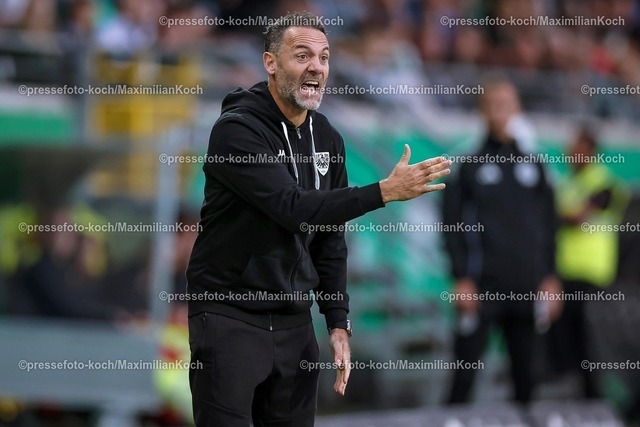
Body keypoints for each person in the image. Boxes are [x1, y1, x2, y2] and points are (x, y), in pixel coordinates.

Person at [186, 11, 451, 427]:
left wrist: (337, 321)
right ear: (271, 63)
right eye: (302, 55)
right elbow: (293, 208)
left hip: (294, 324)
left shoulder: (328, 137)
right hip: (230, 318)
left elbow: (329, 238)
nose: (316, 67)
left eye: (324, 57)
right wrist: (383, 192)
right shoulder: (236, 131)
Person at [442, 78, 562, 404]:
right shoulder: (468, 165)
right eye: (492, 105)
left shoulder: (535, 165)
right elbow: (452, 225)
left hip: (527, 287)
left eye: (505, 104)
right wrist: (461, 277)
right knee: (463, 377)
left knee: (527, 379)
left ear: (517, 109)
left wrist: (551, 277)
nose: (499, 111)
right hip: (481, 288)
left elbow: (549, 226)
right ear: (481, 111)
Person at [549, 126, 628, 398]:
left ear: (590, 150)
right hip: (565, 273)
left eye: (577, 146)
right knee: (565, 341)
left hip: (593, 275)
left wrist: (555, 215)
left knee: (590, 343)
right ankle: (574, 399)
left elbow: (577, 217)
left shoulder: (604, 183)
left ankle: (593, 400)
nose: (570, 151)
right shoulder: (567, 183)